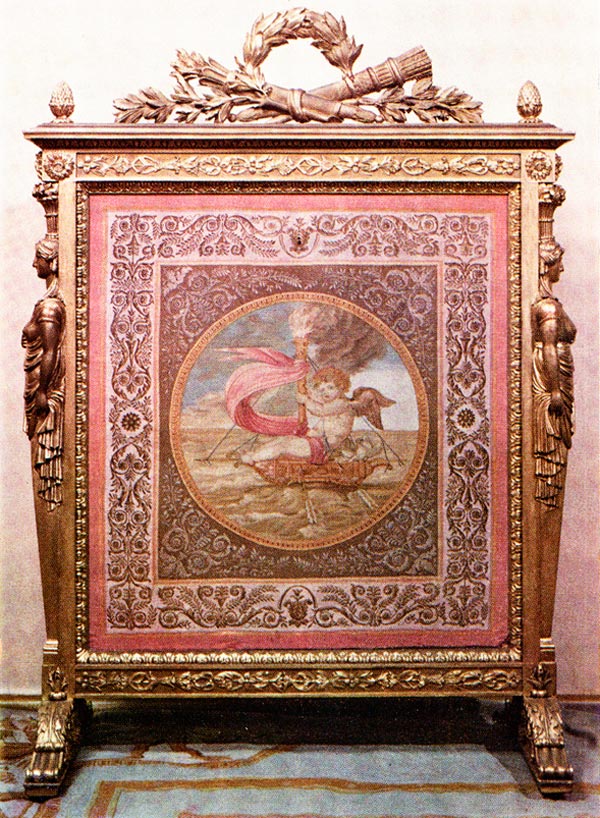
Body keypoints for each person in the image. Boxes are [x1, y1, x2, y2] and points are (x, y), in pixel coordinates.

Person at [531, 238, 576, 507]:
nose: (562, 268)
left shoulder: (550, 303)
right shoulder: (548, 307)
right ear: (546, 265)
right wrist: (555, 390)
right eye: (559, 263)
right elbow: (548, 346)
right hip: (552, 381)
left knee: (560, 440)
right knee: (553, 445)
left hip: (559, 376)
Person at [21, 237, 66, 510]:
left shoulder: (50, 308)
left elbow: (51, 351)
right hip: (35, 383)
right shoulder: (46, 303)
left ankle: (53, 508)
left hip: (42, 386)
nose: (34, 263)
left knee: (41, 445)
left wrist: (43, 391)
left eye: (38, 258)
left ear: (52, 262)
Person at [241, 367, 354, 465]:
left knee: (284, 446)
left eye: (330, 387)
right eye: (322, 390)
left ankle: (254, 458)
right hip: (317, 442)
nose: (325, 392)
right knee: (283, 440)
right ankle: (255, 453)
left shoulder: (343, 404)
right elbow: (318, 399)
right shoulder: (332, 401)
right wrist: (307, 392)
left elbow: (320, 410)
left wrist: (305, 400)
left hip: (323, 448)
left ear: (341, 387)